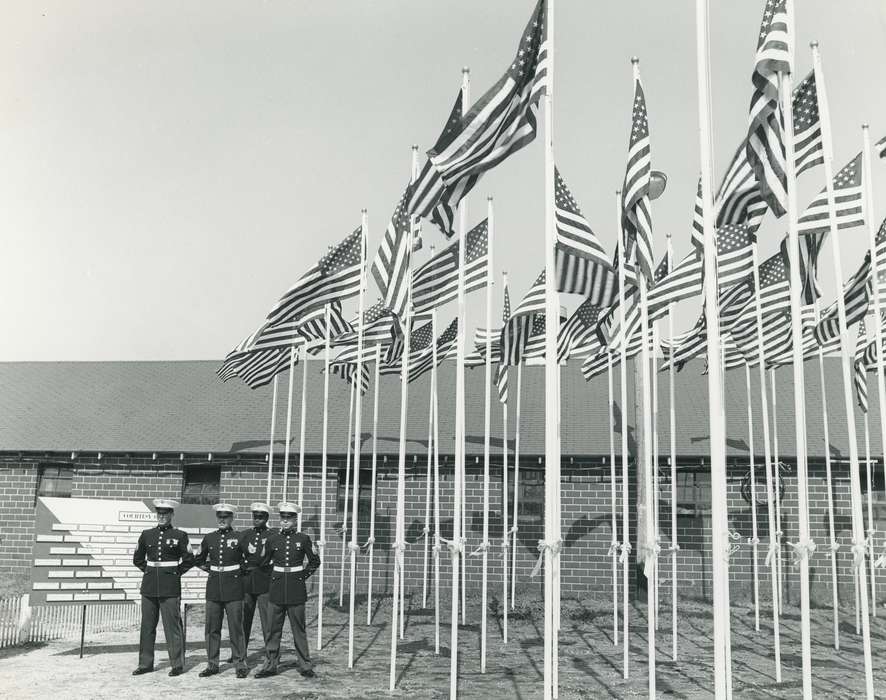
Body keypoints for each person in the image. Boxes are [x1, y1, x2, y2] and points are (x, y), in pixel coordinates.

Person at [254, 502, 320, 679]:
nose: (284, 521)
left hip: (296, 589)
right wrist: (274, 575)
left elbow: (315, 561)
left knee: (299, 628)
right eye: (282, 518)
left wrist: (301, 576)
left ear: (295, 519)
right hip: (276, 589)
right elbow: (262, 562)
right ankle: (270, 664)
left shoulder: (303, 539)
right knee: (273, 629)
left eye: (288, 518)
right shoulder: (272, 539)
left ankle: (305, 665)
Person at [132, 498, 194, 677]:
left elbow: (189, 559)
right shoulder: (146, 534)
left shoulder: (180, 535)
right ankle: (145, 664)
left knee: (172, 626)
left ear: (171, 515)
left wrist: (174, 573)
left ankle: (177, 664)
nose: (161, 516)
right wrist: (150, 571)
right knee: (147, 626)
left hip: (170, 587)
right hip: (149, 586)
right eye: (159, 513)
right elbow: (137, 559)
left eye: (165, 513)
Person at [194, 503, 249, 678]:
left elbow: (250, 560)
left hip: (234, 588)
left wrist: (239, 572)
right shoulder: (209, 538)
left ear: (232, 518)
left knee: (236, 627)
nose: (222, 520)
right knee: (212, 628)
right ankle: (212, 664)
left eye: (225, 517)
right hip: (214, 588)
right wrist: (211, 569)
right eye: (219, 517)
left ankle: (240, 664)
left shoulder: (240, 537)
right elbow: (199, 559)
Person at [238, 502, 275, 656]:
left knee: (268, 621)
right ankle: (240, 653)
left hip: (265, 581)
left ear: (266, 518)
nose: (257, 519)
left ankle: (271, 654)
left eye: (260, 517)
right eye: (255, 516)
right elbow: (236, 555)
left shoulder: (273, 535)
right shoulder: (245, 535)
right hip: (246, 582)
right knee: (243, 620)